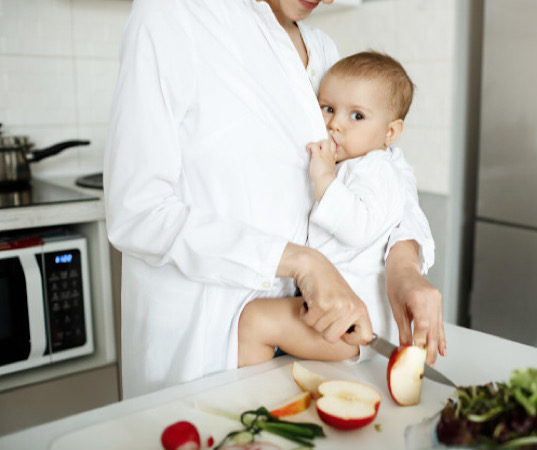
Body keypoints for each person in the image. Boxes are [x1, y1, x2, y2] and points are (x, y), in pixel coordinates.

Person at [104, 0, 446, 399]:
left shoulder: (323, 51)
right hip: (204, 351)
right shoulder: (173, 17)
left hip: (302, 358)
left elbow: (386, 170)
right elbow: (138, 212)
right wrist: (300, 262)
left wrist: (403, 266)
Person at [238, 51, 420, 365]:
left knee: (255, 320)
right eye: (328, 108)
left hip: (350, 322)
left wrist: (324, 178)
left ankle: (246, 399)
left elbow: (358, 226)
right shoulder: (354, 164)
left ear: (390, 132)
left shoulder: (378, 170)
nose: (335, 124)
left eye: (357, 116)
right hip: (334, 312)